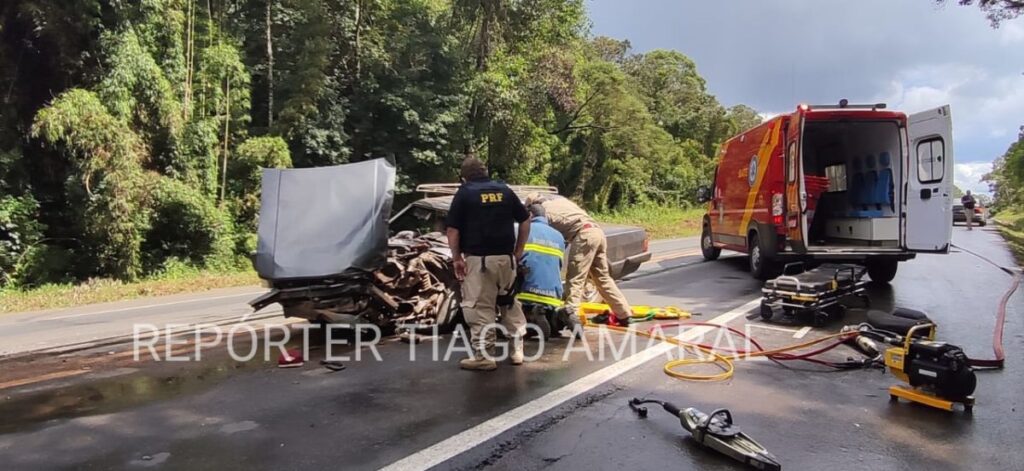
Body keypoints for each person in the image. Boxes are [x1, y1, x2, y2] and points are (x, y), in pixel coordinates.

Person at [445, 157, 531, 371]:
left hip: (480, 260)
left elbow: (452, 230)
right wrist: (518, 251)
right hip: (507, 260)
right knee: (509, 302)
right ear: (485, 172)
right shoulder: (504, 190)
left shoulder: (465, 192)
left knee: (480, 307)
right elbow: (525, 219)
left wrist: (457, 258)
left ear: (464, 176)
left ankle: (484, 357)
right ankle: (517, 351)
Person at [525, 193, 632, 328]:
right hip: (597, 232)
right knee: (603, 278)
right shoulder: (560, 201)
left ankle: (571, 316)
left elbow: (548, 237)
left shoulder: (544, 212)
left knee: (575, 279)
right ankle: (624, 315)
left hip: (583, 235)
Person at [516, 204, 567, 332]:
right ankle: (561, 315)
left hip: (526, 293)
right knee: (554, 328)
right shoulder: (559, 236)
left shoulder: (522, 230)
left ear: (530, 215)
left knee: (514, 324)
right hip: (553, 296)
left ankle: (533, 316)